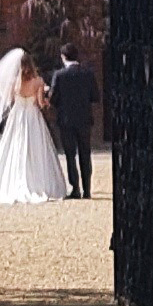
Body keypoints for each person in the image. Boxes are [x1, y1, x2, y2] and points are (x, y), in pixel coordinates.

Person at [0, 48, 70, 205]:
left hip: (17, 117)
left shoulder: (14, 83)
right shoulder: (38, 81)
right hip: (33, 117)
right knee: (36, 148)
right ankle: (38, 182)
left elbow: (10, 101)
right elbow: (40, 103)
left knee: (14, 146)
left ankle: (10, 181)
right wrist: (47, 102)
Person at [48, 42, 98, 199]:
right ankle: (87, 189)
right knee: (85, 153)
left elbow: (53, 99)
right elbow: (95, 96)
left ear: (63, 57)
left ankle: (75, 188)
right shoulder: (88, 73)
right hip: (84, 119)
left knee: (70, 155)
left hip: (66, 120)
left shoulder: (60, 75)